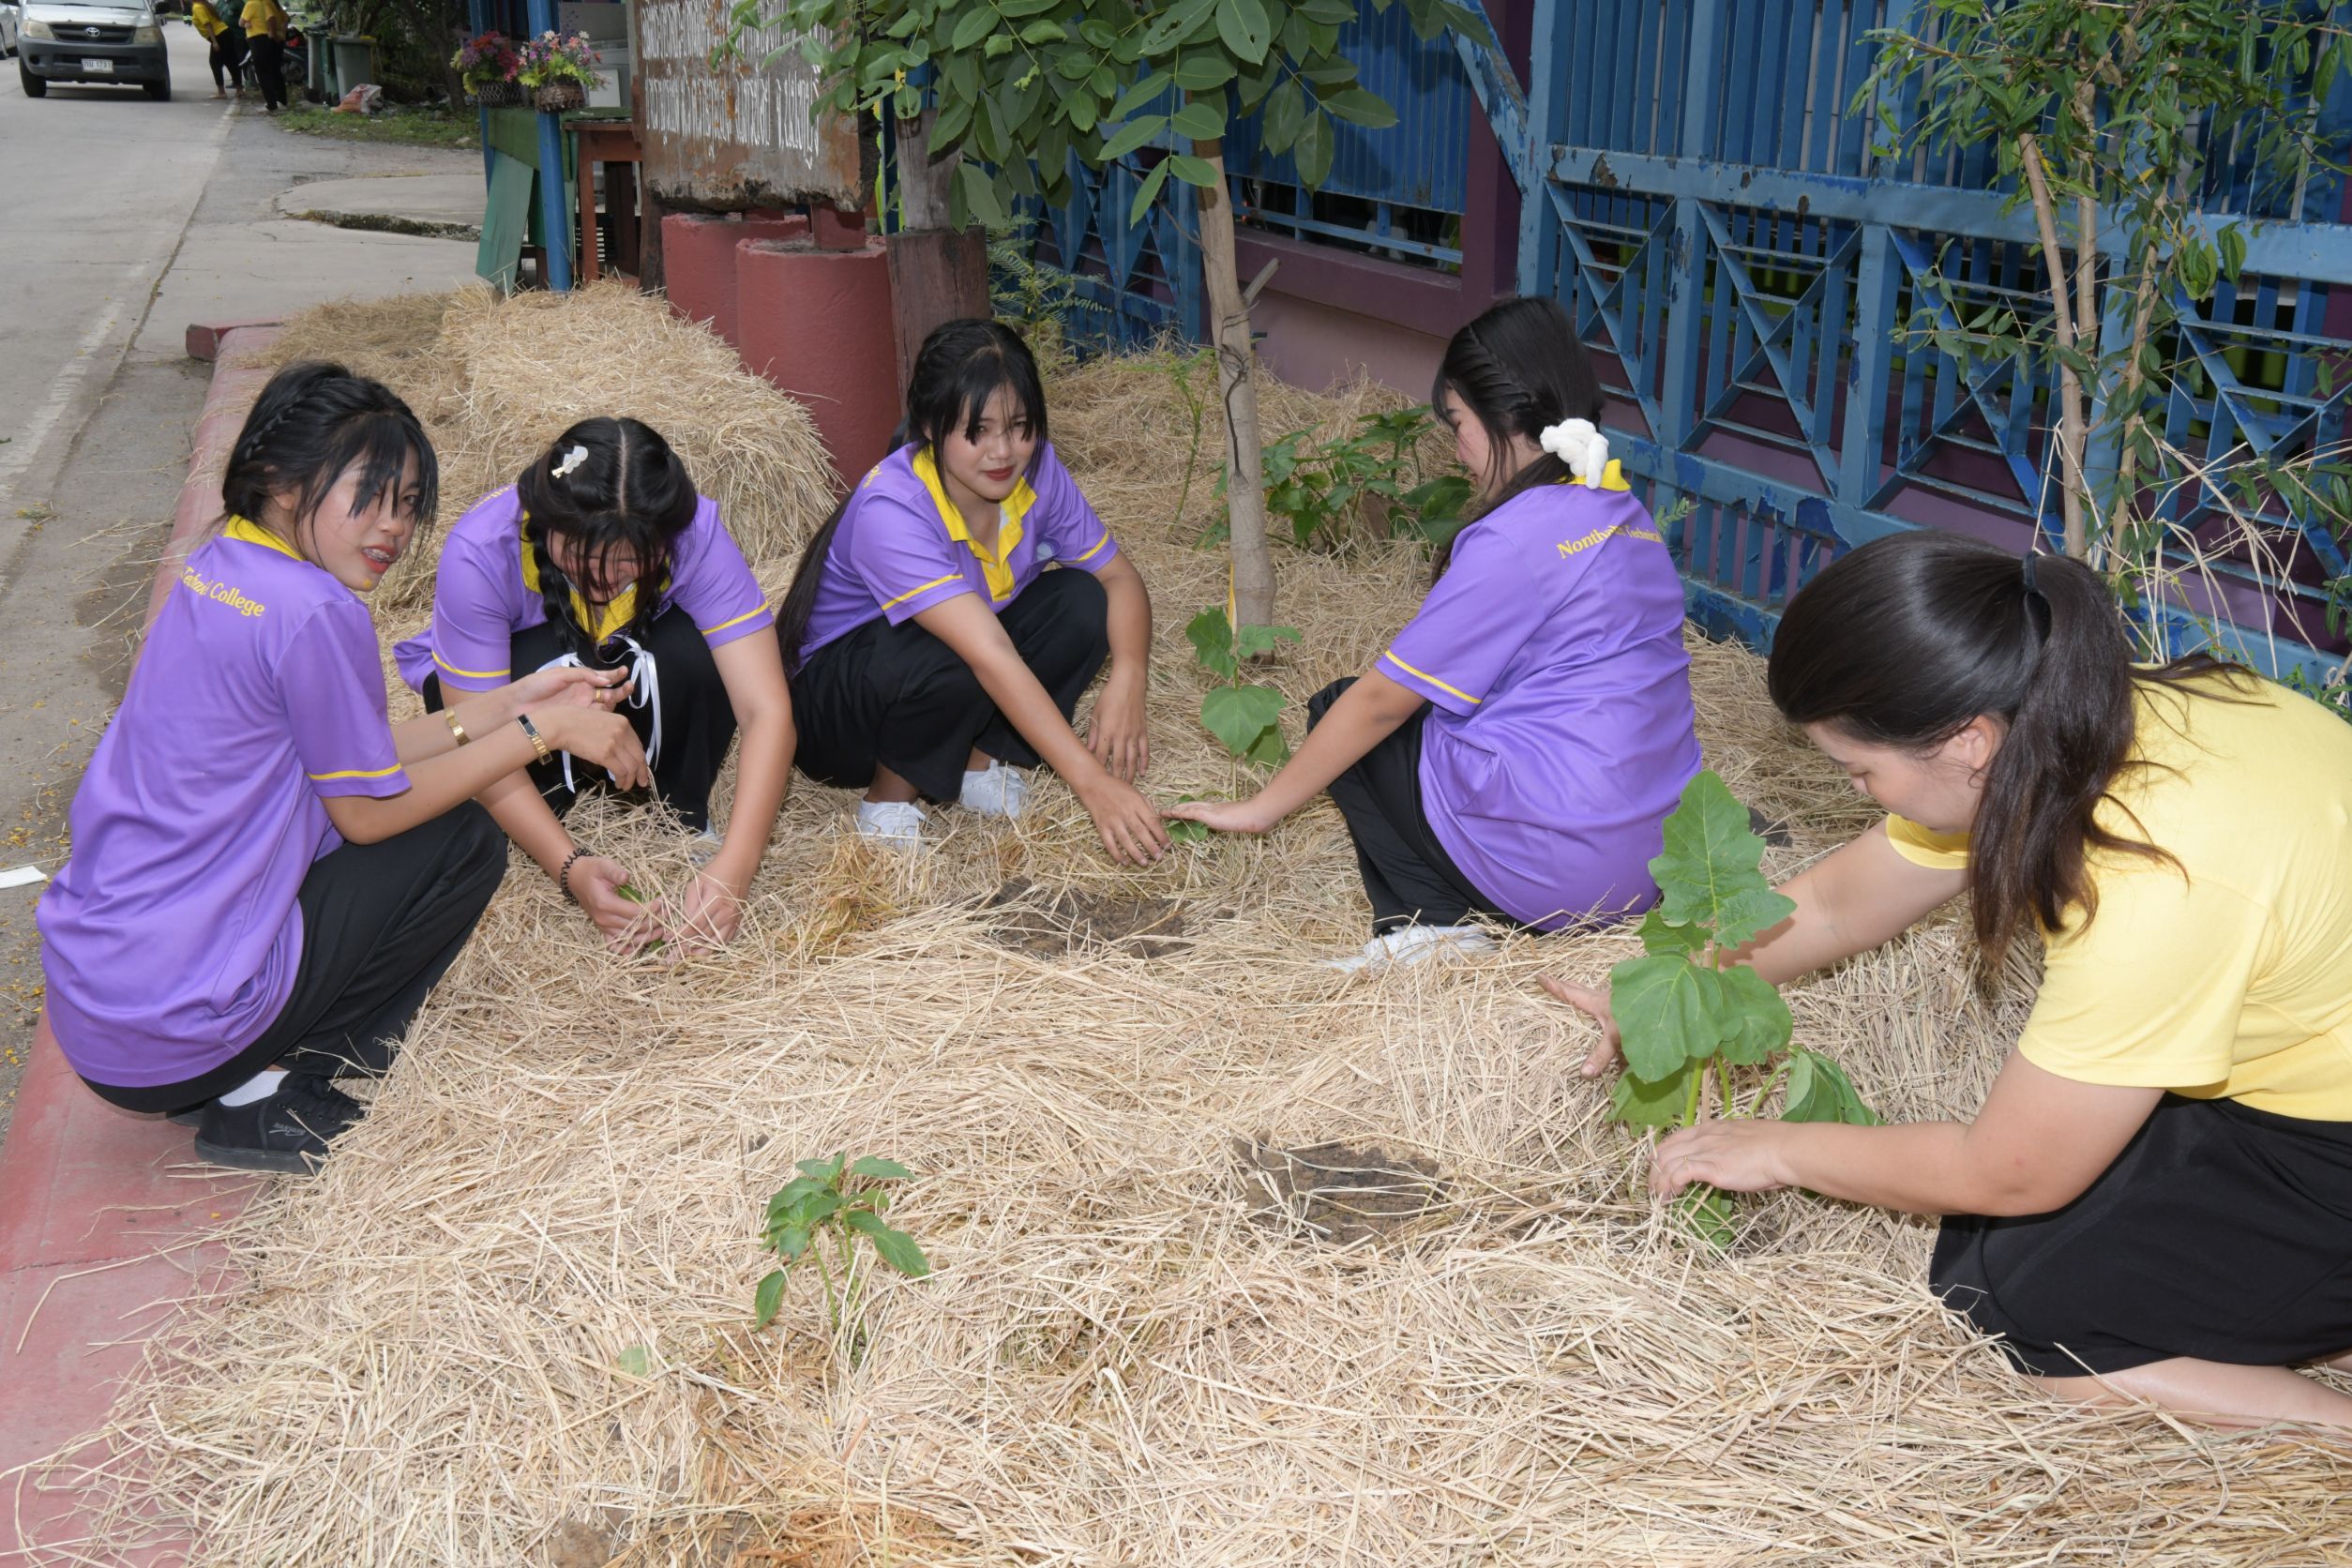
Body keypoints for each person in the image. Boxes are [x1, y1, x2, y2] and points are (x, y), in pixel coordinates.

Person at [1545, 531, 2352, 1430]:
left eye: (1861, 769)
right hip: (2296, 1064)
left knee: (2021, 1317)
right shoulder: (2079, 717)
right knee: (1987, 1253)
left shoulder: (2155, 873)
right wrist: (1672, 991)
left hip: (2328, 1135)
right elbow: (1837, 909)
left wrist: (1775, 1148)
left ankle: (2328, 1424)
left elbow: (2011, 1172)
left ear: (1967, 741)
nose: (1858, 792)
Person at [37, 363, 645, 1175]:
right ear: (278, 480)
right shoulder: (316, 610)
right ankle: (271, 1088)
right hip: (179, 1033)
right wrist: (544, 731)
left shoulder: (220, 570)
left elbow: (353, 753)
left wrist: (511, 703)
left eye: (407, 504)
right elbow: (368, 810)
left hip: (105, 1019)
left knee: (425, 808)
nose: (392, 527)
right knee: (462, 833)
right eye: (371, 494)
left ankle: (242, 1071)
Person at [1168, 295, 1701, 971]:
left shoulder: (1513, 538)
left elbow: (1382, 703)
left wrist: (1261, 809)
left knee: (1342, 709)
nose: (1458, 452)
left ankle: (1427, 924)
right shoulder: (1620, 506)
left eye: (1458, 424)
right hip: (1657, 858)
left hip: (1569, 875)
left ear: (1502, 415)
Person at [394, 419, 795, 950]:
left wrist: (735, 870)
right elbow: (479, 733)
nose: (606, 577)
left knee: (691, 651)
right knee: (538, 659)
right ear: (545, 522)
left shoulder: (695, 531)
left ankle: (677, 810)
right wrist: (570, 868)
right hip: (519, 706)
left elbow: (766, 710)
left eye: (632, 559)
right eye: (581, 556)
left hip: (628, 669)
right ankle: (554, 812)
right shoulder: (481, 548)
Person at [776, 318, 1165, 864]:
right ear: (931, 426)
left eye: (1020, 426)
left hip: (947, 674)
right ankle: (887, 803)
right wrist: (1091, 782)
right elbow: (987, 652)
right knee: (960, 648)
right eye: (978, 431)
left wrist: (1130, 672)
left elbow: (1119, 579)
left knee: (1082, 601)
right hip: (840, 720)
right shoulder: (892, 509)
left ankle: (975, 762)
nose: (1003, 451)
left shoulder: (1038, 471)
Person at [238, 0, 288, 113]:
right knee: (274, 70)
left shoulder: (252, 3)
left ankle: (271, 104)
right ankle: (281, 101)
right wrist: (281, 32)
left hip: (258, 39)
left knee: (263, 73)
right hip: (271, 40)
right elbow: (285, 18)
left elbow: (241, 22)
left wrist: (273, 33)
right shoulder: (273, 3)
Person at [190, 0, 244, 98]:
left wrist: (214, 42)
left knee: (215, 63)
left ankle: (221, 92)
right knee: (231, 61)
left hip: (219, 36)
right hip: (226, 33)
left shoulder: (197, 7)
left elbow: (208, 24)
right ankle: (239, 89)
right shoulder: (204, 5)